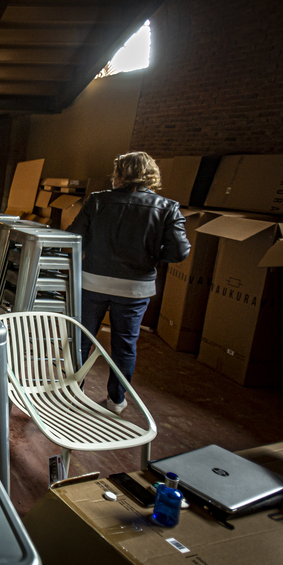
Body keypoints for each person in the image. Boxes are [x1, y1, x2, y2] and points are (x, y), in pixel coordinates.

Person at [67, 152, 190, 414]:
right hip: (135, 288)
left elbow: (74, 237)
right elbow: (179, 252)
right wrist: (152, 257)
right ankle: (115, 400)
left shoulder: (98, 201)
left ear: (120, 174)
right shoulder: (168, 207)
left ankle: (73, 394)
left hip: (92, 282)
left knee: (80, 340)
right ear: (150, 176)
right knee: (124, 345)